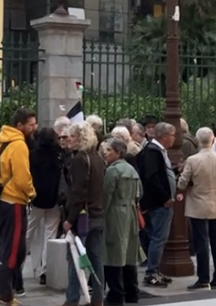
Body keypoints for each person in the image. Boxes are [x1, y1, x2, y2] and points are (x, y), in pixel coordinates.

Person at [0, 108, 38, 306]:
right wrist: (31, 192)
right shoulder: (19, 144)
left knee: (5, 247)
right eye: (31, 124)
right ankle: (5, 295)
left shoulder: (3, 139)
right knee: (14, 251)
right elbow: (21, 176)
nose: (34, 127)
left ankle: (0, 289)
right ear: (20, 125)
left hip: (1, 200)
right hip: (14, 201)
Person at [178, 127, 216, 291]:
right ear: (213, 139)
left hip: (198, 205)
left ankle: (203, 278)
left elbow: (182, 183)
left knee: (202, 242)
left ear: (198, 141)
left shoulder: (193, 160)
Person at [63, 121, 106, 306]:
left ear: (80, 138)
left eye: (72, 136)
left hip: (83, 216)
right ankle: (97, 298)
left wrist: (69, 219)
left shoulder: (80, 159)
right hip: (96, 213)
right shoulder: (96, 157)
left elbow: (79, 192)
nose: (69, 140)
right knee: (96, 258)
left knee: (76, 258)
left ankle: (72, 299)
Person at [101, 139, 143, 306]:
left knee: (113, 252)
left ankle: (116, 293)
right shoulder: (132, 170)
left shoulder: (112, 171)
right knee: (129, 253)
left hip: (115, 213)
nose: (106, 153)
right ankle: (132, 291)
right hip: (130, 212)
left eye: (109, 150)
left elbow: (106, 195)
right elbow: (140, 193)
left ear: (118, 152)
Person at [134, 121, 176, 288]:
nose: (174, 139)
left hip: (156, 202)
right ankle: (151, 273)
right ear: (164, 136)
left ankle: (155, 270)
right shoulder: (154, 152)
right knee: (158, 238)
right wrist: (164, 196)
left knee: (157, 238)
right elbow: (152, 177)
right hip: (159, 203)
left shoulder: (154, 151)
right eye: (172, 135)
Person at [28, 127, 64, 285]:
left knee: (28, 233)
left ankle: (17, 265)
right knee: (50, 235)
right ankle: (45, 270)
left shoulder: (32, 155)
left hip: (35, 199)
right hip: (53, 200)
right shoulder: (58, 155)